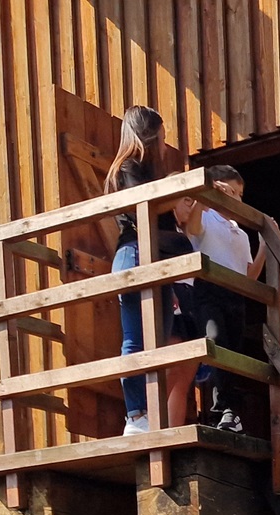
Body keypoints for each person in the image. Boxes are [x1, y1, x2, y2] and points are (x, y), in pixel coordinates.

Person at [105, 106, 199, 436]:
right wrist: (172, 188)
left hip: (155, 261)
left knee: (157, 342)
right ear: (149, 134)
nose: (163, 143)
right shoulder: (128, 167)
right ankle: (136, 415)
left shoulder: (146, 171)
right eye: (161, 136)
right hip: (135, 256)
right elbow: (140, 206)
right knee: (136, 341)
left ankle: (150, 415)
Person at [185, 163, 264, 433]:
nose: (239, 200)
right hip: (209, 290)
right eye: (234, 192)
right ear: (220, 187)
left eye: (241, 194)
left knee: (233, 352)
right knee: (215, 342)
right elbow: (192, 227)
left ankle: (229, 413)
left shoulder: (240, 232)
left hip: (235, 297)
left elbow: (249, 276)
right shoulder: (206, 218)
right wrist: (204, 195)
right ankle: (224, 409)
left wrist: (264, 248)